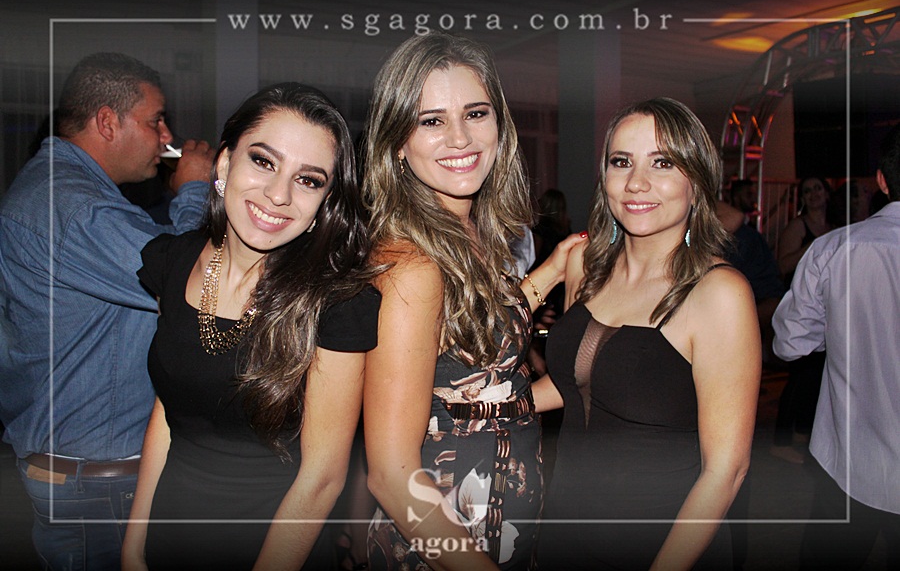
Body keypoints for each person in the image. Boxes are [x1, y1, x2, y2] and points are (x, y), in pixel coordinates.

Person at [119, 83, 381, 570]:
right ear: (224, 164)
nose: (279, 194)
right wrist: (134, 546)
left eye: (309, 180)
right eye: (263, 161)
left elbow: (322, 479)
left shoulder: (337, 302)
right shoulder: (172, 263)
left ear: (325, 201)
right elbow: (168, 412)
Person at [360, 32, 584, 571]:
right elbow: (391, 475)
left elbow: (476, 333)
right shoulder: (413, 266)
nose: (460, 138)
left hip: (500, 528)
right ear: (397, 142)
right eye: (431, 121)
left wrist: (551, 271)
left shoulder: (465, 233)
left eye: (476, 113)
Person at [0, 52, 213, 570]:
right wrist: (193, 190)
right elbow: (188, 282)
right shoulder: (75, 207)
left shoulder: (66, 194)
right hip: (97, 488)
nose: (167, 136)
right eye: (155, 120)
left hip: (83, 478)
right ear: (107, 121)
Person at [533, 97, 761, 570]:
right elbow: (581, 379)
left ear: (697, 182)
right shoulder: (586, 265)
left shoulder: (718, 293)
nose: (636, 182)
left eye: (662, 163)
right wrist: (483, 405)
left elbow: (726, 472)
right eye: (622, 162)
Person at [772, 124, 900, 570]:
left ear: (881, 181)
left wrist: (842, 326)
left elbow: (790, 343)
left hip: (852, 459)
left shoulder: (833, 250)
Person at [771, 175, 835, 463]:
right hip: (800, 306)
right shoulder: (798, 227)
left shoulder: (835, 226)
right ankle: (781, 440)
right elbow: (783, 265)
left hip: (826, 306)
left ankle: (803, 431)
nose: (813, 194)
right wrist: (814, 247)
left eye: (818, 188)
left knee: (818, 372)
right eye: (807, 190)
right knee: (800, 372)